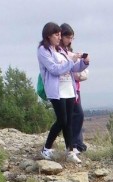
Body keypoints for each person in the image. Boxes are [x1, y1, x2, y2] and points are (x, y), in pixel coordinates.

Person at [37, 22, 89, 163]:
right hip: (56, 90)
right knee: (62, 120)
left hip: (69, 89)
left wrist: (84, 63)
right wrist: (71, 61)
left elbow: (73, 68)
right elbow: (54, 69)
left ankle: (70, 151)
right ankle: (46, 148)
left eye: (60, 34)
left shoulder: (61, 50)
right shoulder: (43, 50)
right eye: (56, 34)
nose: (59, 37)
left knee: (68, 122)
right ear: (48, 36)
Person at [60, 23, 88, 155]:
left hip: (73, 88)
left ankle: (74, 145)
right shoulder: (58, 53)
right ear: (61, 36)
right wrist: (74, 60)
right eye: (68, 37)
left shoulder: (68, 52)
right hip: (64, 89)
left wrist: (84, 62)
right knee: (71, 117)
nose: (70, 40)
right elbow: (63, 69)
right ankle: (72, 145)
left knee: (73, 116)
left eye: (72, 38)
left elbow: (76, 68)